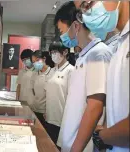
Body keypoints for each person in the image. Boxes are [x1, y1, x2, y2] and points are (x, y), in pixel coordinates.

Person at [54, 2, 112, 152]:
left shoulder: (98, 53)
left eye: (62, 31)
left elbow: (95, 107)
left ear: (76, 26)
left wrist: (76, 148)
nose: (62, 37)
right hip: (71, 141)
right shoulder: (83, 56)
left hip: (83, 146)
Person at [75, 1, 129, 152]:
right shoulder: (119, 44)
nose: (86, 17)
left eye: (87, 4)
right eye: (82, 12)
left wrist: (103, 135)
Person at [44, 40, 74, 146]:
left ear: (65, 52)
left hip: (61, 120)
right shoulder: (52, 70)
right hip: (49, 117)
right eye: (51, 52)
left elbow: (72, 98)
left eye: (55, 52)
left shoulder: (71, 71)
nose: (53, 55)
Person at [31, 50, 54, 127]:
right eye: (33, 62)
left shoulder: (52, 73)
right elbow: (33, 91)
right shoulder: (35, 74)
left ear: (44, 59)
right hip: (35, 109)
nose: (35, 63)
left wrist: (48, 110)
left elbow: (52, 95)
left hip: (46, 112)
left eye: (37, 60)